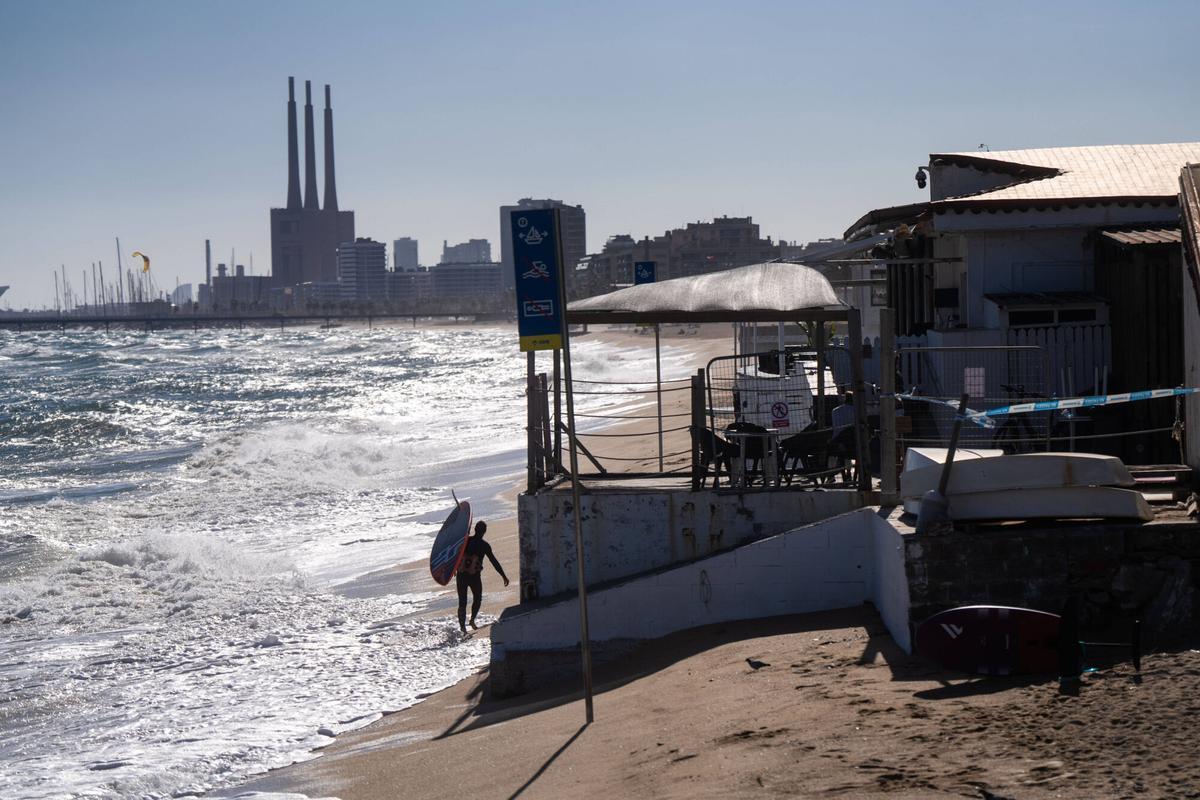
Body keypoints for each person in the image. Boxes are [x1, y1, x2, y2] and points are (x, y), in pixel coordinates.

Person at [455, 520, 509, 633]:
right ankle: (472, 620)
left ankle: (463, 628)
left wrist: (452, 569)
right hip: (474, 577)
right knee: (477, 599)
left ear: (475, 529)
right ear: (484, 531)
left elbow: (455, 554)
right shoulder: (484, 546)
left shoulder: (465, 541)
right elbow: (494, 561)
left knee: (462, 602)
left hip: (461, 575)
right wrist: (503, 576)